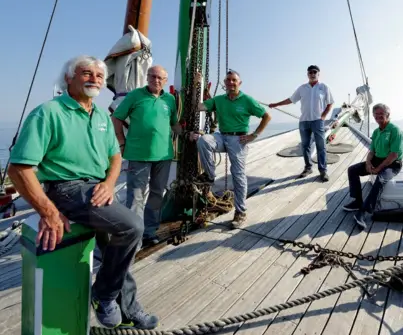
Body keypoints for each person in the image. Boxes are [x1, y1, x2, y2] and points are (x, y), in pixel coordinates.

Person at [7, 55, 158, 330]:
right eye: (86, 73)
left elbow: (114, 157)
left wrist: (110, 183)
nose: (95, 79)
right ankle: (104, 295)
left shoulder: (101, 115)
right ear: (69, 78)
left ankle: (127, 305)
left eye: (99, 76)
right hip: (66, 189)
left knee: (119, 244)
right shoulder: (49, 113)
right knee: (133, 227)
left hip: (97, 189)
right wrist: (48, 211)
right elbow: (19, 169)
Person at [189, 69, 271, 228]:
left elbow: (267, 116)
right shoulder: (219, 100)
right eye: (228, 80)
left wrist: (254, 135)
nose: (231, 82)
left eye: (234, 80)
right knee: (203, 140)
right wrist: (197, 85)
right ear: (224, 83)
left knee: (238, 175)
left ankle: (240, 211)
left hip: (238, 139)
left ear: (239, 83)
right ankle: (210, 176)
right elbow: (198, 107)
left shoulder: (247, 100)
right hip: (222, 135)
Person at [112, 65, 181, 248]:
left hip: (164, 156)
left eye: (160, 78)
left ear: (165, 81)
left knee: (157, 194)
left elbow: (174, 124)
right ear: (147, 77)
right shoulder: (135, 95)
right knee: (136, 196)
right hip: (138, 154)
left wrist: (189, 133)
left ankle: (149, 232)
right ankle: (133, 237)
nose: (155, 80)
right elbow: (117, 117)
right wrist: (121, 141)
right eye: (152, 76)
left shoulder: (170, 100)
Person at [343, 103, 403, 229]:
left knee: (380, 179)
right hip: (377, 159)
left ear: (387, 115)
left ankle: (364, 211)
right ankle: (357, 201)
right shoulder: (376, 132)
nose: (378, 116)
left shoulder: (395, 130)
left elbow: (393, 155)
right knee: (352, 170)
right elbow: (371, 151)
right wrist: (368, 163)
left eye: (381, 114)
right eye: (375, 114)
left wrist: (378, 168)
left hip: (393, 163)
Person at [268, 65, 334, 182]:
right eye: (310, 72)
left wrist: (323, 116)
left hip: (318, 121)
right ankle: (308, 168)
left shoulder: (324, 87)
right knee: (305, 146)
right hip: (304, 122)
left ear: (318, 74)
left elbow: (330, 103)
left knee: (321, 146)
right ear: (307, 74)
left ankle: (323, 171)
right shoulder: (302, 88)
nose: (312, 74)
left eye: (314, 72)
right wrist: (276, 104)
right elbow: (291, 99)